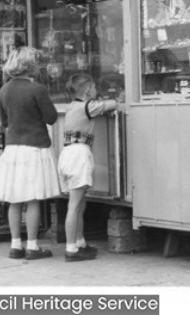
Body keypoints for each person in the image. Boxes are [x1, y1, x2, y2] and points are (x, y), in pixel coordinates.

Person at [0, 47, 60, 260]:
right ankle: (33, 246)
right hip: (34, 147)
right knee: (33, 199)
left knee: (15, 199)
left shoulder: (4, 89)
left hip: (13, 148)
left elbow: (4, 122)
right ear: (29, 65)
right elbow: (51, 117)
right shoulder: (38, 89)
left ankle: (16, 245)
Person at [58, 73, 117, 262]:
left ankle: (79, 242)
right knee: (75, 206)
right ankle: (71, 250)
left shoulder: (72, 106)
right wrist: (114, 99)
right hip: (79, 155)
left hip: (67, 154)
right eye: (94, 88)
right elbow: (112, 105)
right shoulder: (87, 106)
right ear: (88, 90)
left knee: (79, 204)